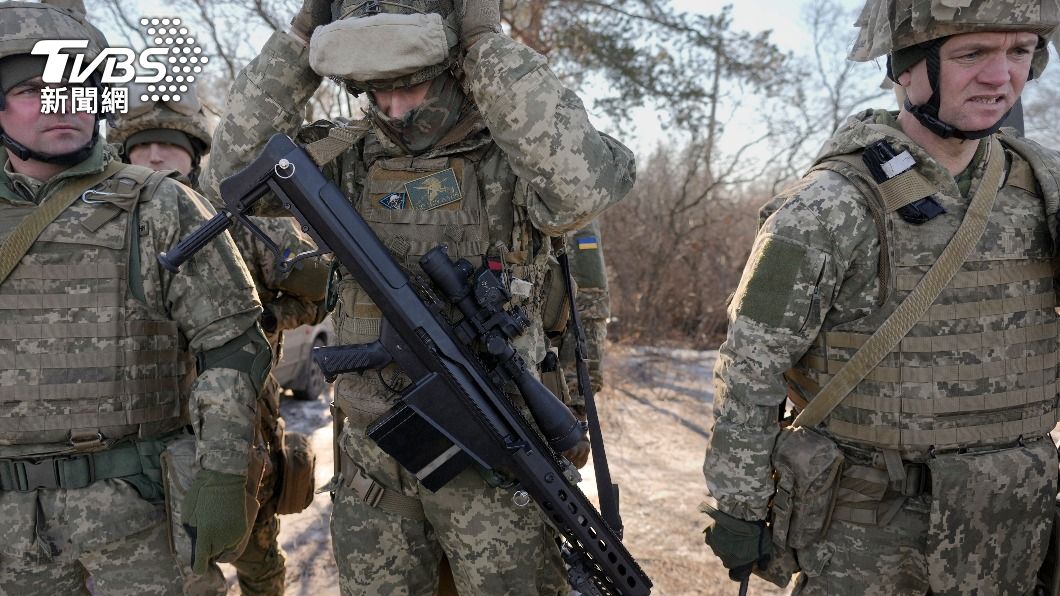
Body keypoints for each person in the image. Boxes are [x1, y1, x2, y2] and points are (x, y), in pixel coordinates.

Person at [201, 0, 636, 593]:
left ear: (454, 65)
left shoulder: (510, 153)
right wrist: (301, 40)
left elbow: (583, 186)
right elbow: (227, 173)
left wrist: (485, 39)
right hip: (374, 464)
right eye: (375, 90)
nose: (395, 109)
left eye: (413, 84)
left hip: (492, 452)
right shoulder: (345, 156)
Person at [702, 0, 1060, 594]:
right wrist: (739, 503)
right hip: (868, 538)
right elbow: (750, 363)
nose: (1002, 78)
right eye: (973, 53)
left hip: (1013, 530)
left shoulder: (1043, 186)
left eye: (1019, 51)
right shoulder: (828, 207)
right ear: (907, 69)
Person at [0, 2, 269, 595]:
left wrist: (224, 476)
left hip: (136, 514)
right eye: (30, 88)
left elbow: (233, 349)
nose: (61, 102)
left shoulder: (161, 206)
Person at [109, 89, 329, 596]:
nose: (156, 156)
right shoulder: (105, 228)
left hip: (243, 427)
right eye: (142, 147)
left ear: (195, 153)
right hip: (149, 435)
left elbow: (323, 289)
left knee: (259, 557)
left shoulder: (236, 224)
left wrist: (267, 320)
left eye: (170, 145)